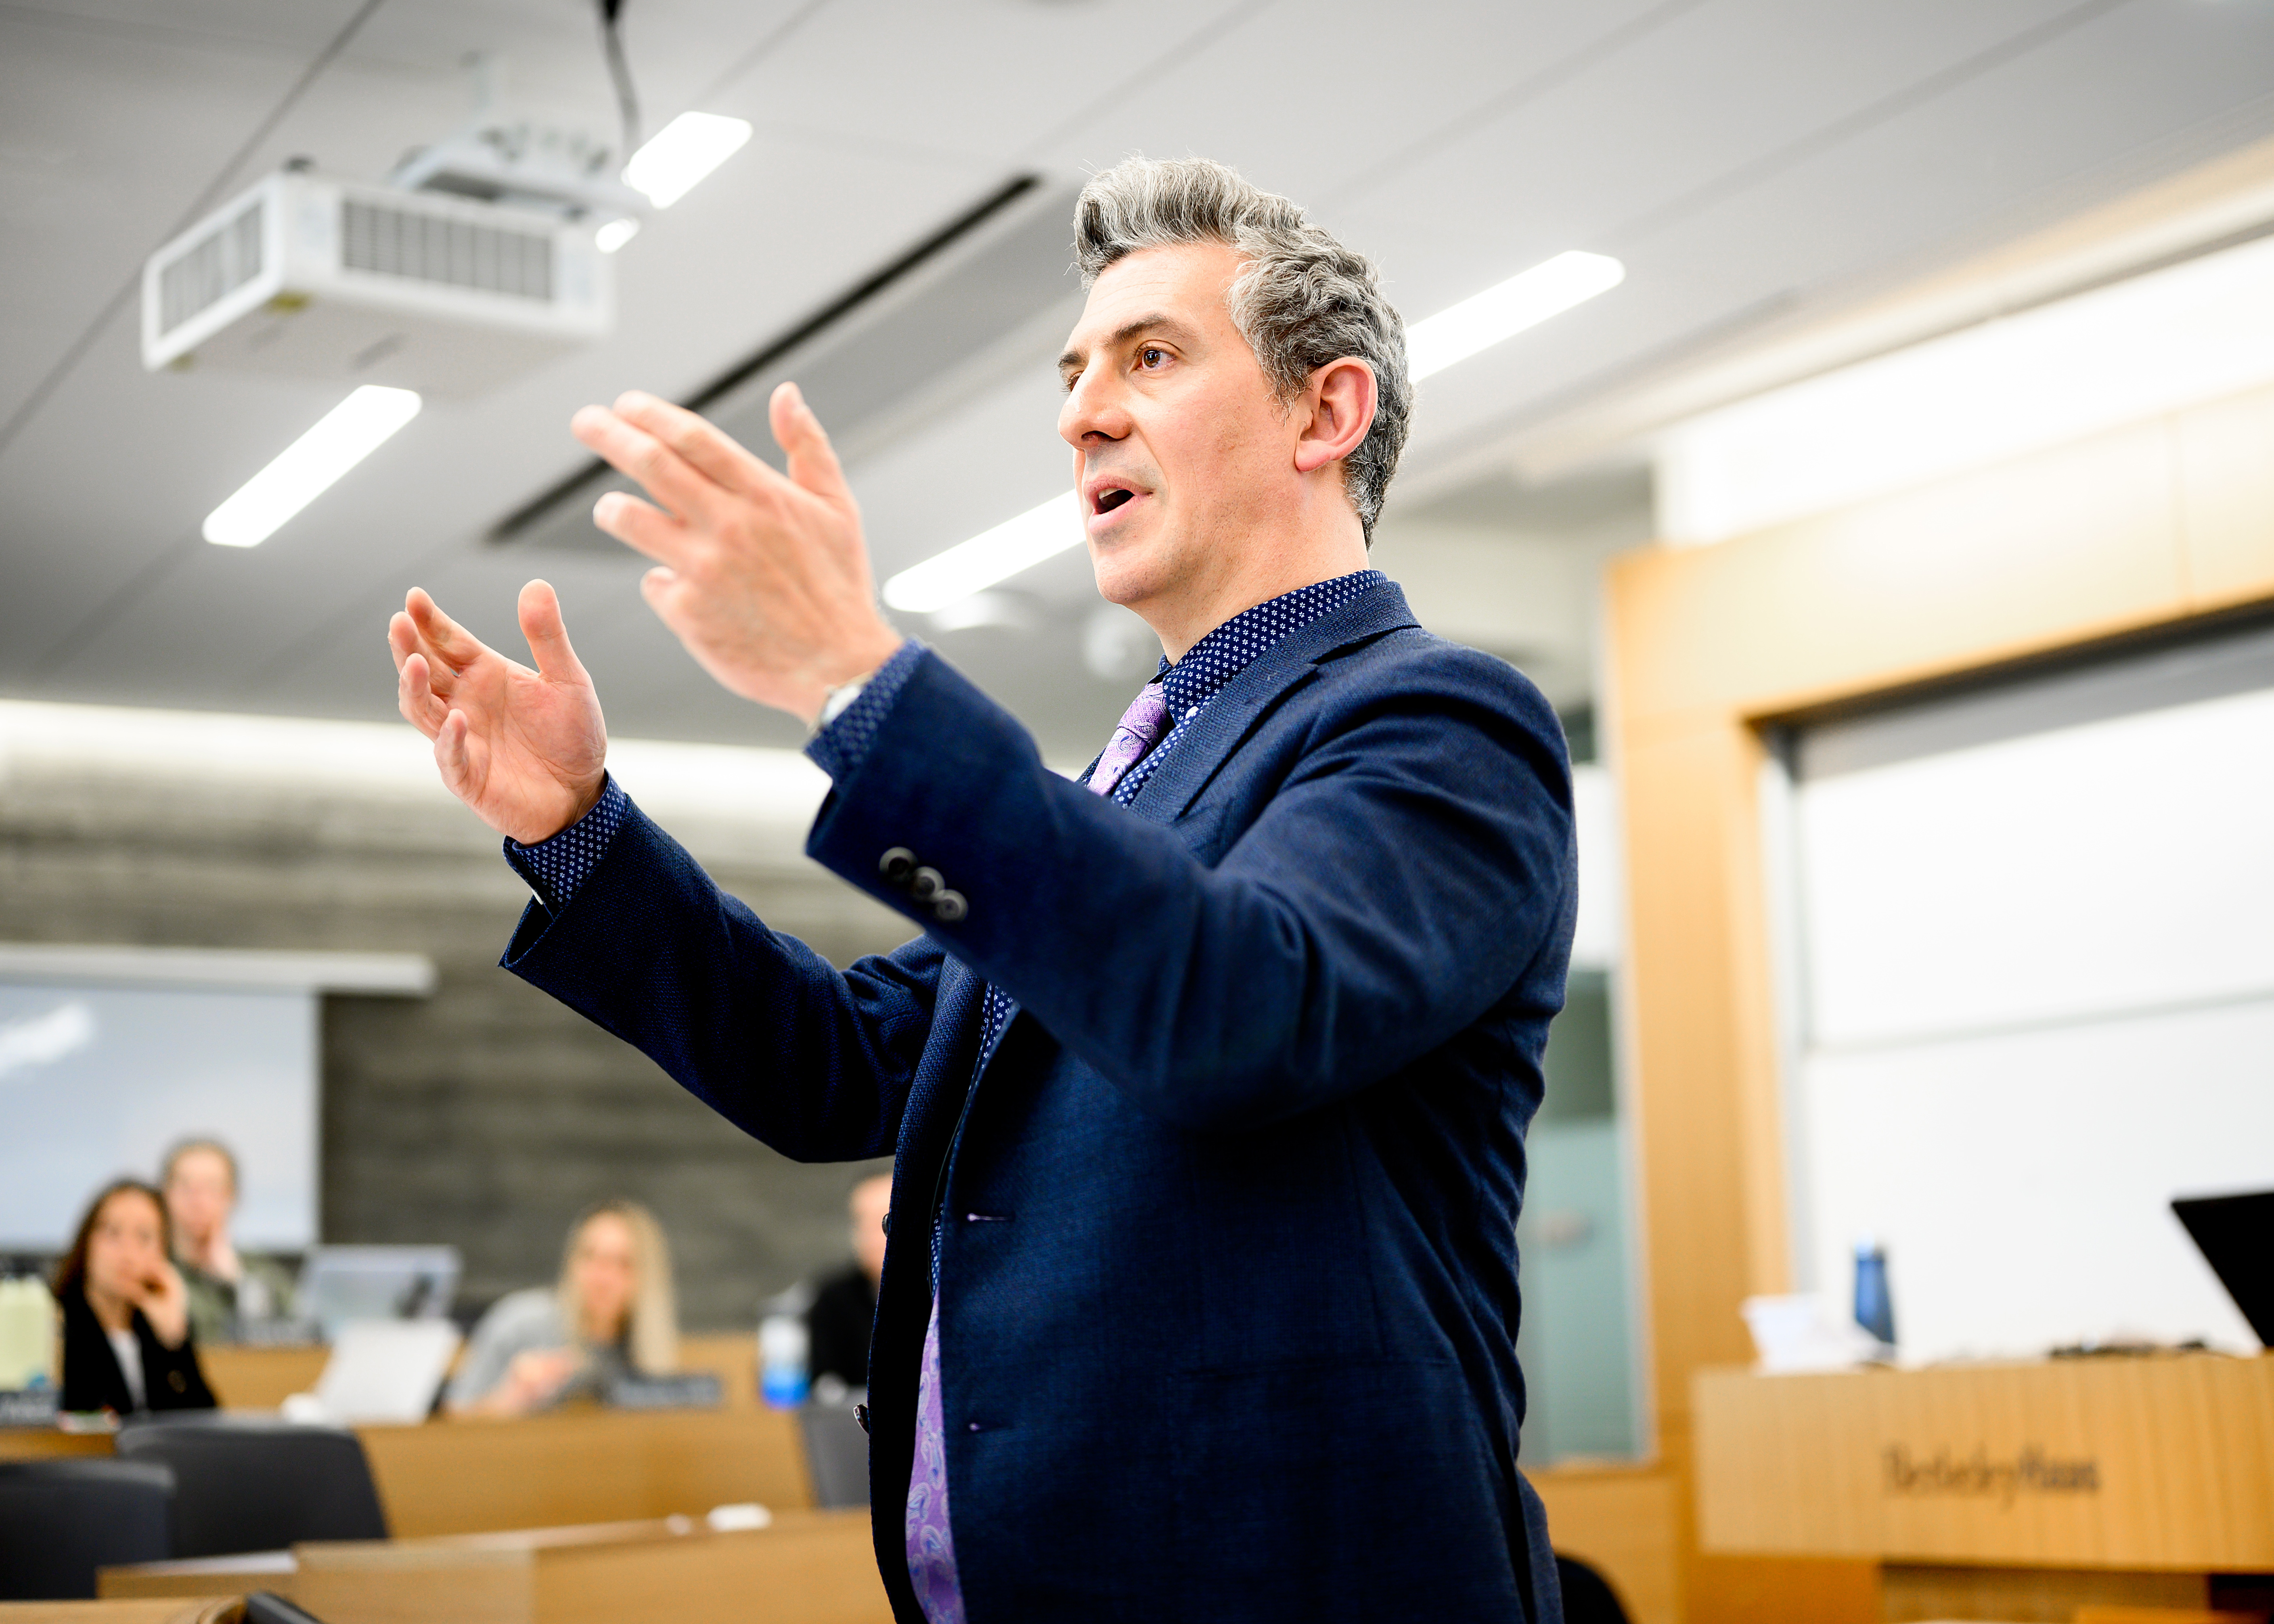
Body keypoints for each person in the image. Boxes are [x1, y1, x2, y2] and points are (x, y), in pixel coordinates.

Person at [389, 156, 1573, 1622]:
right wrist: (577, 826)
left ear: (1326, 413)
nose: (1080, 408)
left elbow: (1238, 1003)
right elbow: (831, 1061)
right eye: (1076, 368)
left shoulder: (1439, 723)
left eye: (1152, 355)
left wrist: (854, 680)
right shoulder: (1121, 789)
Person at [446, 1199, 679, 1416]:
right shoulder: (521, 1324)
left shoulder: (642, 1351)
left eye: (622, 1264)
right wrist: (511, 1399)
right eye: (590, 1257)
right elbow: (455, 1419)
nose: (602, 1278)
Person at [55, 1180, 217, 1416]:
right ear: (87, 1241)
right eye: (113, 1233)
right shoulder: (57, 1324)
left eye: (144, 1237)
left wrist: (174, 1343)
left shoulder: (157, 1327)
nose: (128, 1253)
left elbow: (203, 1426)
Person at [161, 1137, 296, 1344]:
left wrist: (238, 1283)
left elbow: (298, 1340)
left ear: (232, 1196)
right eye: (185, 1187)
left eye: (212, 1187)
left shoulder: (261, 1272)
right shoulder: (153, 1273)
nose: (198, 1202)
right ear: (165, 1194)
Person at [806, 1171, 891, 1392]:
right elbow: (826, 1383)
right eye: (864, 1224)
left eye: (886, 1224)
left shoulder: (947, 1292)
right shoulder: (834, 1299)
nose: (873, 1237)